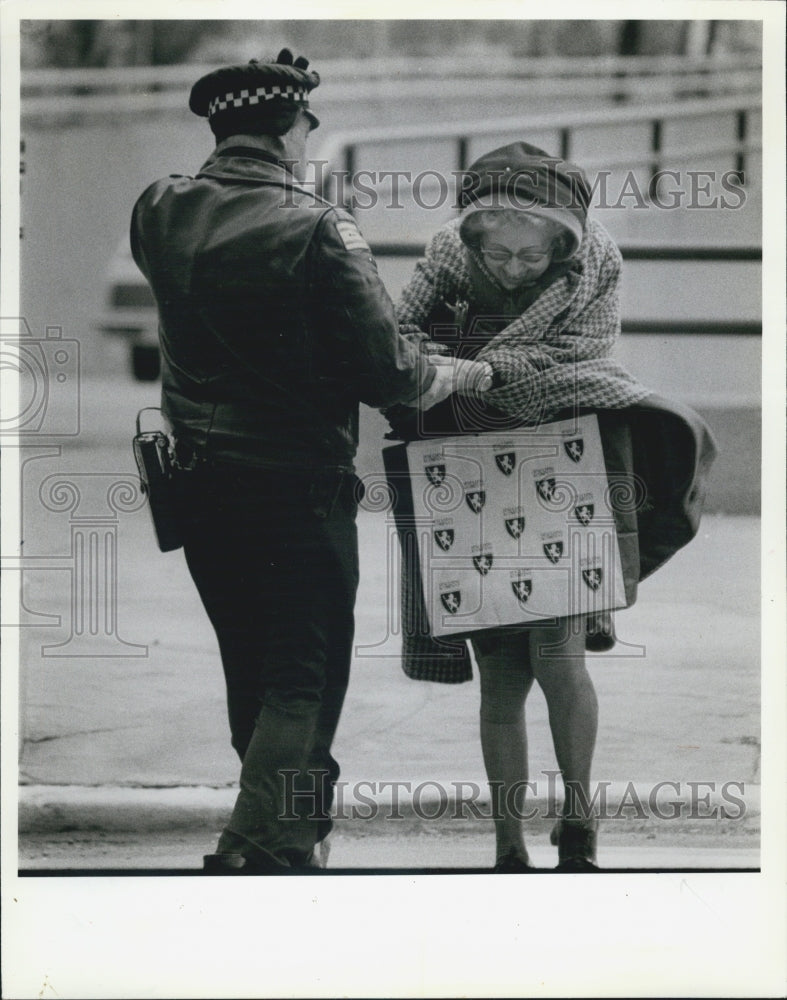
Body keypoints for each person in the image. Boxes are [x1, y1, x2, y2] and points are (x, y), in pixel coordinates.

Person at [130, 49, 489, 874]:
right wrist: (461, 372)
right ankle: (256, 845)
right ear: (293, 132)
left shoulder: (157, 209)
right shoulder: (319, 226)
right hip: (296, 487)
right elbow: (389, 371)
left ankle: (298, 825)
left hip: (197, 479)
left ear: (221, 129)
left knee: (251, 671)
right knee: (304, 674)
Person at [384, 141, 716, 871]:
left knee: (558, 657)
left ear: (561, 240)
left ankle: (579, 823)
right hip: (462, 463)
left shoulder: (598, 261)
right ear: (471, 235)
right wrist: (441, 369)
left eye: (529, 257)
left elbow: (583, 356)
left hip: (559, 460)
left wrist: (473, 369)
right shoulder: (445, 252)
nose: (511, 268)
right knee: (500, 669)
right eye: (496, 255)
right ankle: (507, 843)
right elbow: (397, 334)